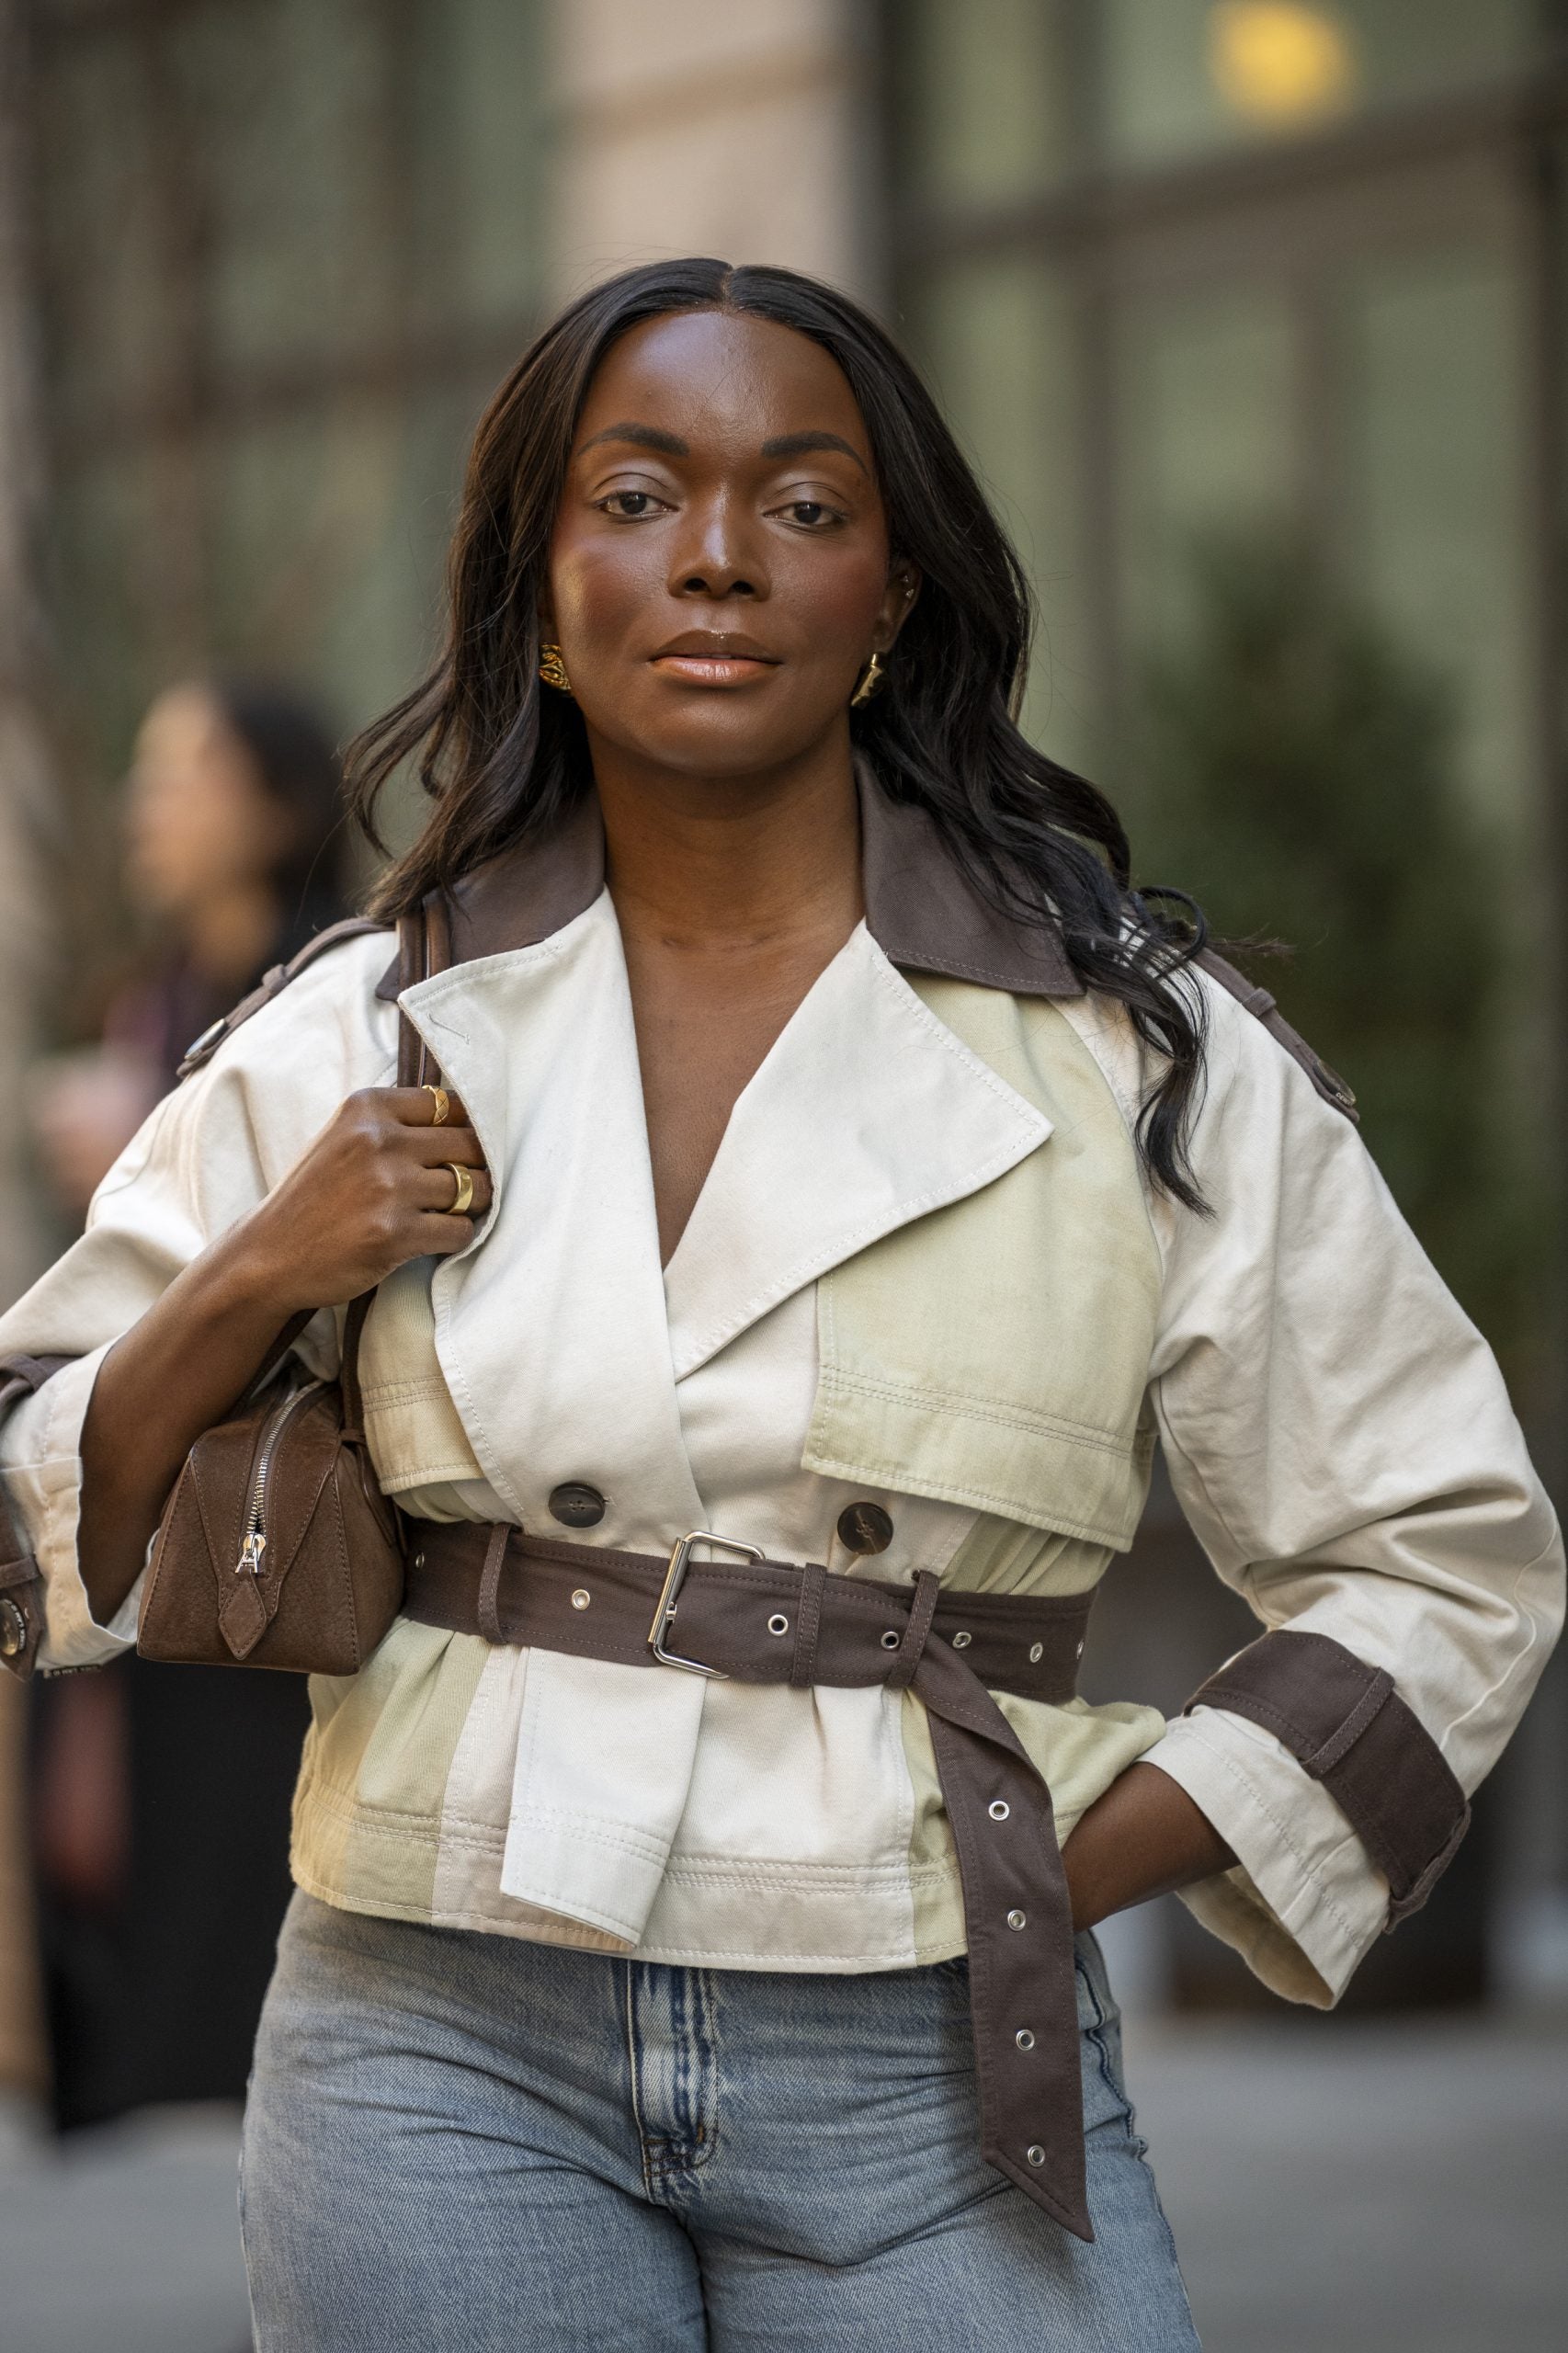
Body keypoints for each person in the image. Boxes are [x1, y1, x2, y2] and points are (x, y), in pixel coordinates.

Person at [0, 261, 1560, 2348]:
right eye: (634, 497)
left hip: (933, 2052)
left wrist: (1067, 1861)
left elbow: (1443, 1558)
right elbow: (28, 1508)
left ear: (893, 594)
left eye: (804, 506)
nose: (718, 557)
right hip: (434, 2038)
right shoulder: (359, 1026)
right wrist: (267, 1265)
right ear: (537, 593)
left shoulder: (1134, 1051)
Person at [25, 680, 344, 2127]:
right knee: (119, 1826)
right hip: (139, 1481)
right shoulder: (150, 995)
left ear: (273, 808)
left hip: (277, 1507)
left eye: (183, 774)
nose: (149, 806)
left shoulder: (323, 998)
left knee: (249, 1858)